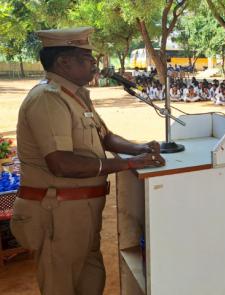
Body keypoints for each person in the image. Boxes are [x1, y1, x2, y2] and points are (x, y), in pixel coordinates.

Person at [11, 27, 165, 295]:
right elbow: (60, 163)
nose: (95, 66)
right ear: (63, 62)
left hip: (81, 211)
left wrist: (138, 147)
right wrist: (128, 164)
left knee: (90, 280)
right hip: (57, 212)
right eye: (88, 59)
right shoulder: (48, 99)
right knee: (63, 284)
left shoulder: (76, 96)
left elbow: (106, 137)